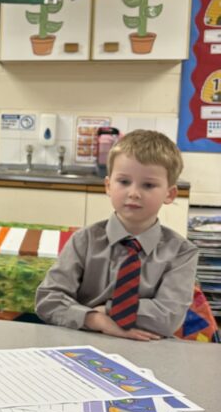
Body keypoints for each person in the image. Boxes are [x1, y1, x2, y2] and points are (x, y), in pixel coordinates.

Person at [35, 130, 198, 340]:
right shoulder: (84, 240)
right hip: (84, 340)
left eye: (148, 185)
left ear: (170, 194)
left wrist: (108, 310)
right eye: (123, 181)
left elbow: (168, 316)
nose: (134, 193)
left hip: (148, 350)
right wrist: (97, 319)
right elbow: (48, 300)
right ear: (108, 186)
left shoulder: (181, 253)